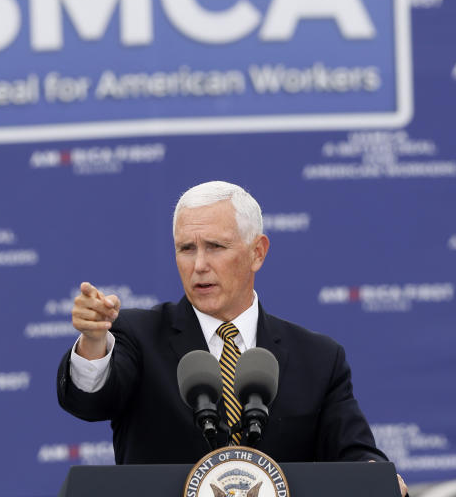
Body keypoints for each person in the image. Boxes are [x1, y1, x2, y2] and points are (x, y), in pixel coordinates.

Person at [57, 181, 407, 496]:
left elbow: (356, 453)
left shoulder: (318, 357)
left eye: (215, 246)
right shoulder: (138, 335)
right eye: (186, 249)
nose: (199, 265)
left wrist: (375, 476)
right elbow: (91, 402)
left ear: (257, 252)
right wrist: (93, 342)